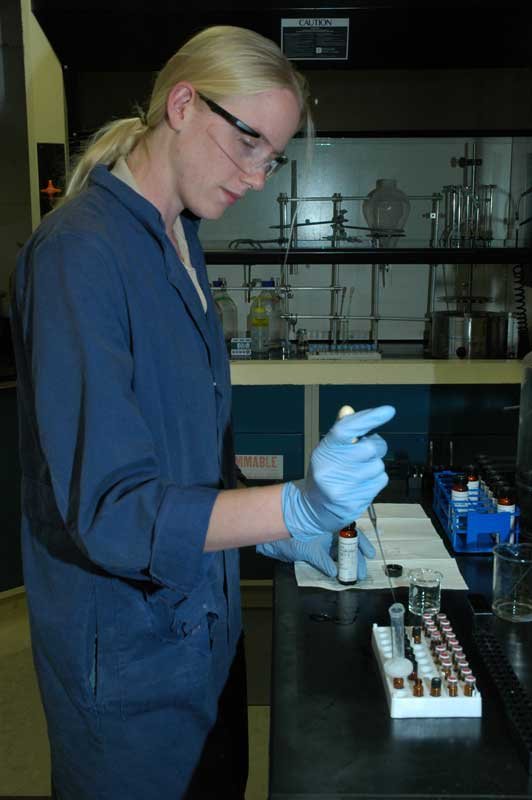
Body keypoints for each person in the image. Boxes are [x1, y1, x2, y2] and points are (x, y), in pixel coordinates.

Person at [10, 24, 395, 800]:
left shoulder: (179, 235)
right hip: (127, 659)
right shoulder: (79, 256)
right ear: (183, 104)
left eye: (274, 157)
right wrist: (296, 503)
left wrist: (285, 528)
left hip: (207, 633)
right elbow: (114, 513)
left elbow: (190, 451)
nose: (258, 177)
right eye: (249, 143)